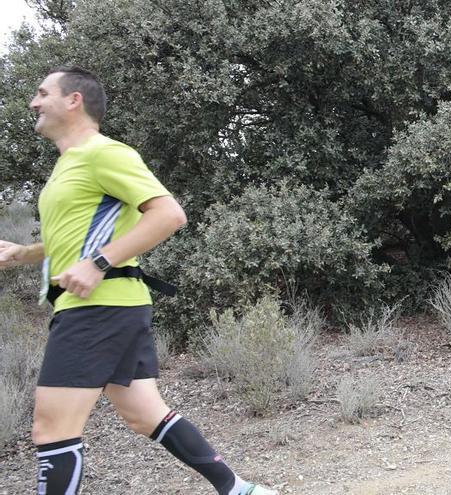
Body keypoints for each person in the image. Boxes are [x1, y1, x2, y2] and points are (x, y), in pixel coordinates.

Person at [0, 67, 276, 494]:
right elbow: (72, 238)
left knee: (50, 428)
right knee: (143, 413)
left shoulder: (104, 153)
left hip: (98, 309)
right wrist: (24, 253)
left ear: (74, 100)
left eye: (42, 93)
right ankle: (241, 490)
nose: (33, 103)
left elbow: (169, 214)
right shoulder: (68, 165)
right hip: (111, 307)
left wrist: (97, 264)